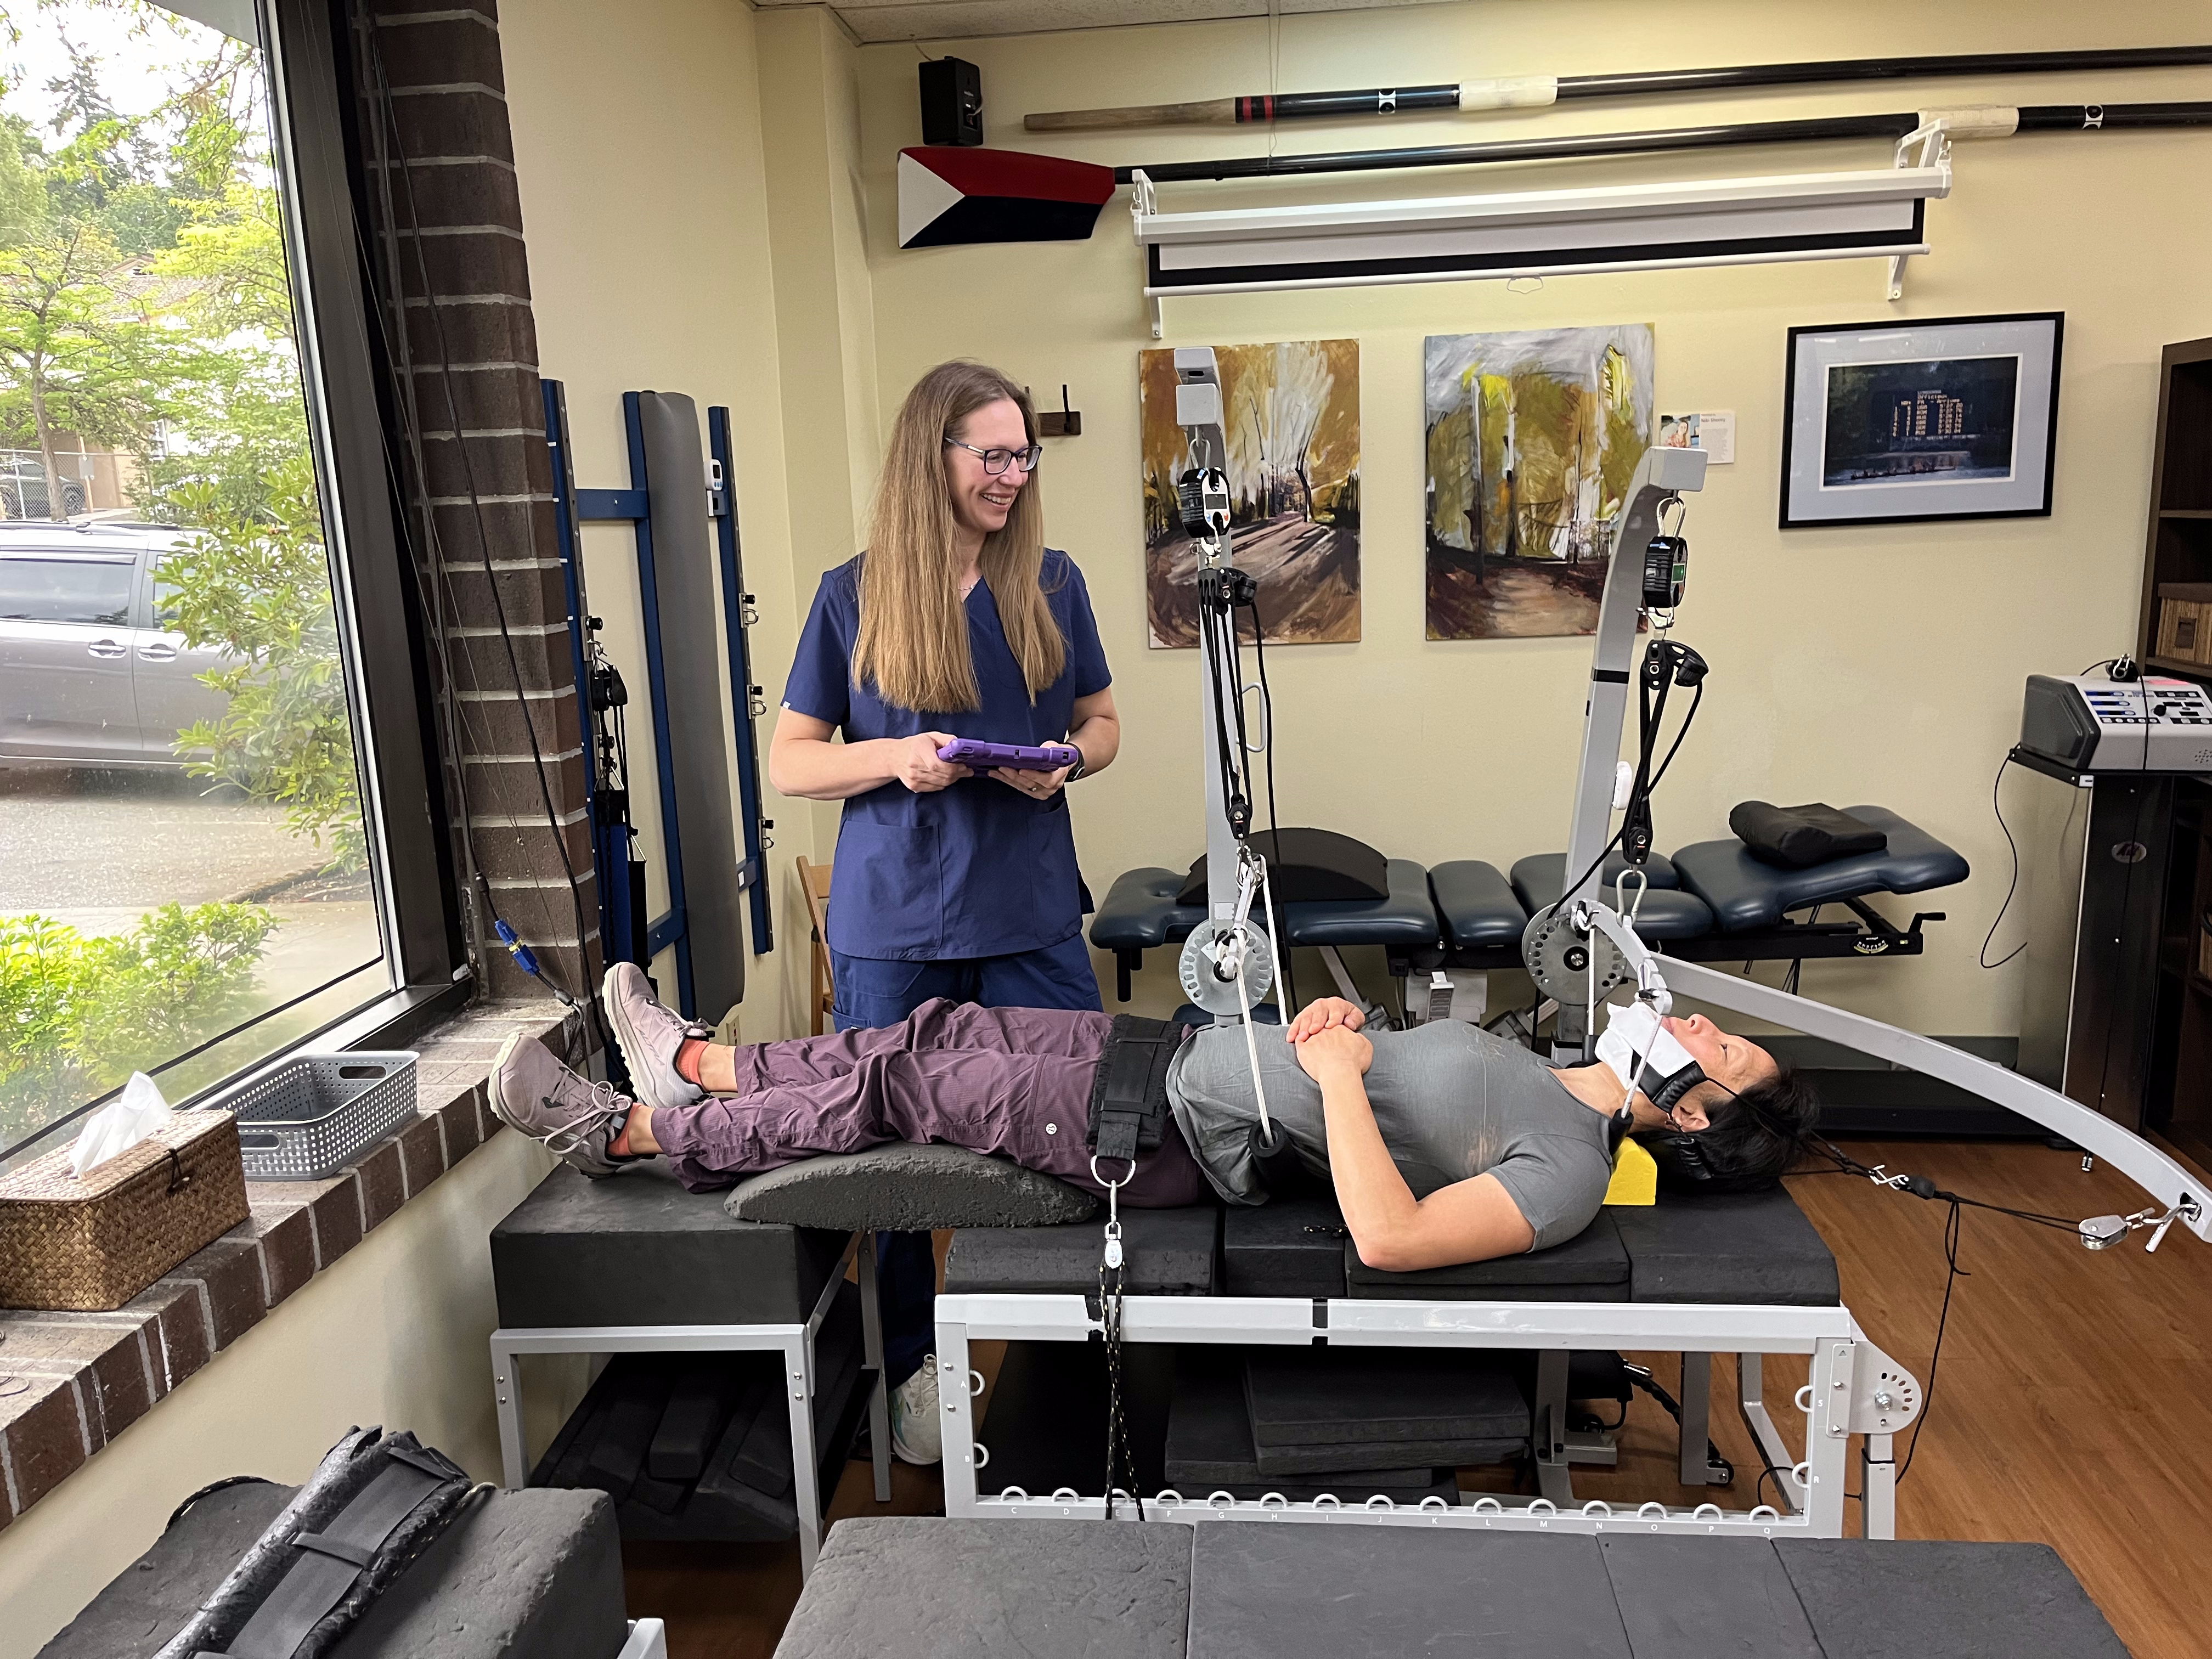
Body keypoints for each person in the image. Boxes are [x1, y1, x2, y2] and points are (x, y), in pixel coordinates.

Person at [499, 967, 1821, 1281]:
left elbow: (1392, 1235)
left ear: (1699, 1115)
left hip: (1167, 1134)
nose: (1699, 1026)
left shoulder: (1570, 1175)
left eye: (1723, 1050)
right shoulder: (1541, 1062)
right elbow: (1364, 1066)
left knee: (901, 1097)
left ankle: (630, 1137)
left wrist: (1345, 1076)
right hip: (1187, 1055)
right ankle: (702, 1063)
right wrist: (1332, 1018)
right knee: (932, 1031)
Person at [755, 360, 1120, 1463]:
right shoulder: (849, 594)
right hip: (894, 925)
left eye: (1023, 455)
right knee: (898, 1159)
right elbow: (790, 763)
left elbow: (1103, 722)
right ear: (935, 458)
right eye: (992, 455)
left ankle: (1081, 1346)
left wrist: (1068, 764)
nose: (1013, 475)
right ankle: (914, 1367)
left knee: (1094, 1130)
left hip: (1029, 911)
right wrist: (895, 758)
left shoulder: (1051, 584)